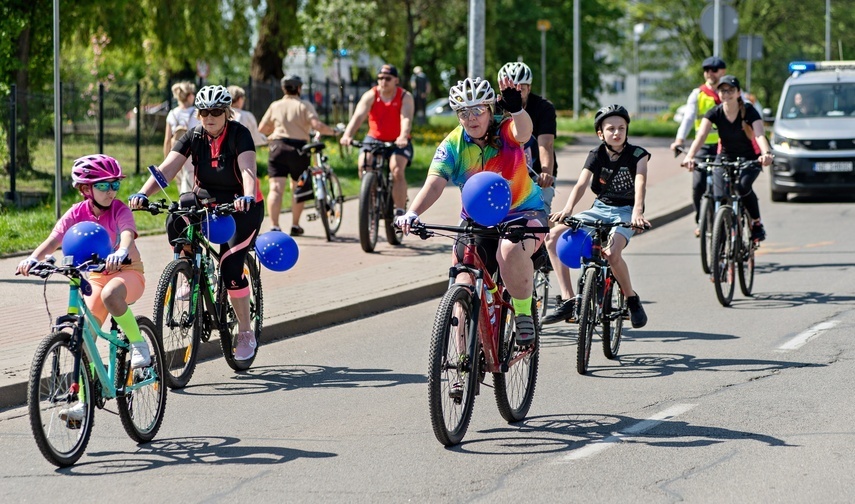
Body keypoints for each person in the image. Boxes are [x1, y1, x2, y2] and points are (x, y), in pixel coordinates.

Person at [396, 76, 547, 345]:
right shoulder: (452, 144)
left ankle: (523, 312)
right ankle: (461, 365)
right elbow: (434, 183)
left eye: (478, 110)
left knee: (509, 251)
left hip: (523, 212)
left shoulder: (505, 129)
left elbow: (524, 133)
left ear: (490, 110)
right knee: (462, 281)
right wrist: (413, 213)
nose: (472, 118)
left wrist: (517, 109)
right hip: (477, 219)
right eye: (464, 112)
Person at [129, 85, 264, 361]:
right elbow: (167, 168)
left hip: (242, 205)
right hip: (206, 201)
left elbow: (249, 169)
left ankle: (246, 332)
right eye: (203, 111)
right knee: (176, 217)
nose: (209, 117)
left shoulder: (240, 134)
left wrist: (247, 196)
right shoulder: (194, 136)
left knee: (230, 265)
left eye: (215, 111)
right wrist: (143, 193)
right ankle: (188, 270)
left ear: (226, 113)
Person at [16, 154, 150, 421]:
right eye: (103, 185)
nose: (111, 191)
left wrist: (122, 251)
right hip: (97, 278)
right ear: (85, 189)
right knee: (83, 338)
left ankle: (138, 344)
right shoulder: (77, 212)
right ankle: (82, 401)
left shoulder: (120, 210)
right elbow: (55, 239)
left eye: (115, 185)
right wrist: (33, 258)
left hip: (128, 273)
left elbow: (126, 233)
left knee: (112, 295)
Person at [543, 105, 650, 329]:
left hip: (626, 212)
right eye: (611, 128)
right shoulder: (596, 154)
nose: (617, 133)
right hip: (599, 208)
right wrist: (568, 209)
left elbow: (640, 182)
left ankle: (631, 299)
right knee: (551, 238)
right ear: (600, 133)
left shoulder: (638, 155)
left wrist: (638, 212)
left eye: (621, 128)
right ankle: (569, 299)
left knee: (612, 253)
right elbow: (582, 183)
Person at [681, 75, 774, 242]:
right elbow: (701, 136)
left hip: (750, 157)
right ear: (719, 93)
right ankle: (721, 230)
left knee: (742, 185)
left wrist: (765, 153)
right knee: (719, 191)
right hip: (724, 157)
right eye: (723, 90)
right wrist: (690, 156)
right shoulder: (715, 112)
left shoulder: (749, 110)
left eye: (731, 90)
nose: (727, 93)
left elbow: (760, 135)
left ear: (738, 92)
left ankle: (757, 223)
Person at [258, 75, 337, 235]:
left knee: (275, 189)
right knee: (298, 188)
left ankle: (274, 226)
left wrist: (274, 132)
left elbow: (262, 128)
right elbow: (317, 125)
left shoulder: (275, 105)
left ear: (283, 88)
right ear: (299, 88)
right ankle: (295, 225)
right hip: (299, 149)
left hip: (277, 148)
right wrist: (333, 132)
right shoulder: (304, 105)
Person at [340, 64, 415, 217]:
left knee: (396, 170)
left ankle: (400, 211)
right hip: (374, 138)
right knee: (364, 164)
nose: (383, 81)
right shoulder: (371, 95)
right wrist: (347, 135)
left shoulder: (404, 96)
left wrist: (403, 136)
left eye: (387, 78)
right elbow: (358, 116)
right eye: (380, 78)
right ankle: (372, 197)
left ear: (396, 80)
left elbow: (406, 118)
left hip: (398, 140)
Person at [670, 56, 726, 237]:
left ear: (722, 71)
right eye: (707, 70)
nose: (710, 73)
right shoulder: (698, 94)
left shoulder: (729, 91)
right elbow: (688, 118)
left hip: (724, 147)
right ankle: (700, 221)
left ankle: (725, 219)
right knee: (698, 184)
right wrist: (680, 139)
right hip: (702, 146)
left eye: (714, 69)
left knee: (724, 186)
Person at [497, 61, 558, 212]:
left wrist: (546, 174)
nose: (516, 92)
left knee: (539, 216)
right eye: (511, 88)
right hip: (506, 173)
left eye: (521, 88)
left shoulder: (544, 107)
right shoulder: (495, 106)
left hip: (536, 173)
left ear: (529, 88)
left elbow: (546, 144)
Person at [164, 81, 199, 194]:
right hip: (192, 152)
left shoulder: (172, 113)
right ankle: (186, 207)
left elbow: (167, 139)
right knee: (189, 181)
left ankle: (183, 203)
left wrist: (166, 158)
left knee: (179, 181)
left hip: (175, 150)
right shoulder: (196, 113)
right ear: (189, 96)